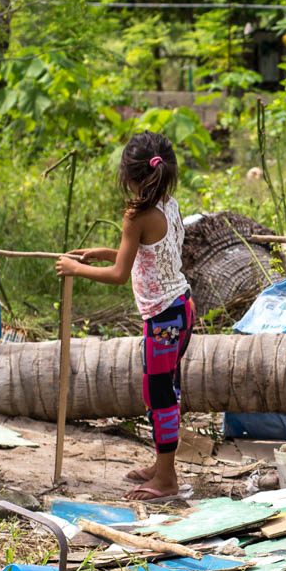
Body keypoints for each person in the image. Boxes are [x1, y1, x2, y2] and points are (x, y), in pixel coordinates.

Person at [57, 132, 193, 500]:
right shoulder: (169, 204)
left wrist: (74, 269)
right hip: (182, 308)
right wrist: (106, 251)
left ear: (128, 176)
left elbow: (120, 274)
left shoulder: (136, 214)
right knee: (168, 391)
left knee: (159, 396)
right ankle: (161, 466)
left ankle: (166, 479)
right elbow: (147, 254)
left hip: (163, 319)